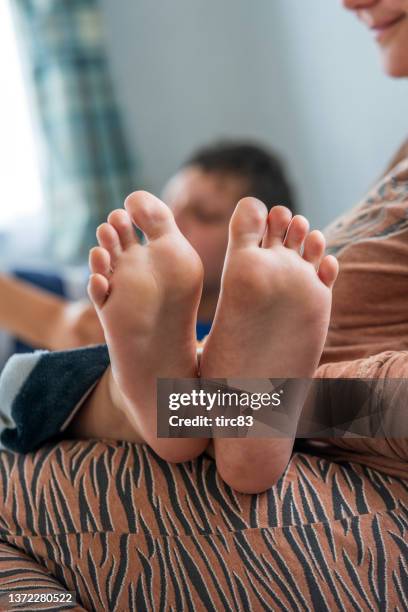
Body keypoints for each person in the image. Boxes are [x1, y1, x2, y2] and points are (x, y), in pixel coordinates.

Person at [0, 0, 407, 608]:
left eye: (206, 215)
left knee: (27, 394)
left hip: (322, 439)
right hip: (263, 409)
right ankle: (157, 402)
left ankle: (156, 404)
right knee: (34, 392)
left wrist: (225, 408)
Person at [0, 141, 295, 367]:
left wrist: (68, 326)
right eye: (166, 208)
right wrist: (70, 323)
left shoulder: (223, 338)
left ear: (260, 244)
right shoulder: (102, 280)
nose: (172, 224)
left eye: (203, 215)